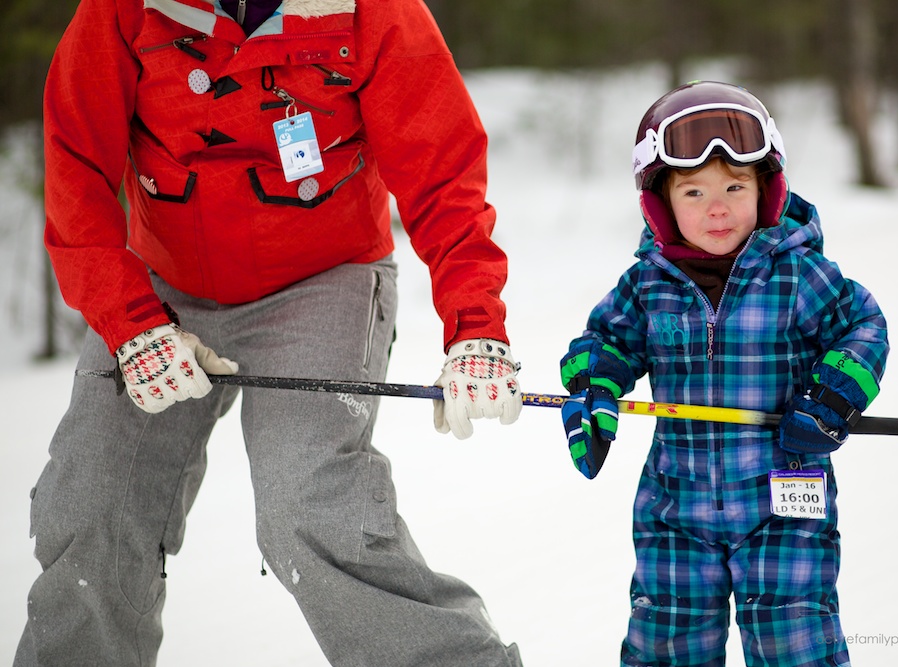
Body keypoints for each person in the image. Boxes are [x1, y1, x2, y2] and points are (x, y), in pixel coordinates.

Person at [16, 0, 523, 665]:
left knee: (309, 509)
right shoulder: (124, 9)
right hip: (159, 287)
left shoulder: (375, 11)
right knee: (91, 506)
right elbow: (75, 163)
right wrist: (130, 322)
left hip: (323, 278)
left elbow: (442, 170)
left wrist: (475, 325)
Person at [559, 81, 889, 666]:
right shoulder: (649, 285)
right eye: (694, 192)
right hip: (673, 508)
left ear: (766, 190)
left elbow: (862, 326)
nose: (717, 208)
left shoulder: (796, 274)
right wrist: (594, 389)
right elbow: (604, 341)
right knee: (666, 646)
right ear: (661, 203)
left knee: (795, 645)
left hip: (786, 502)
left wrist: (834, 395)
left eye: (735, 187)